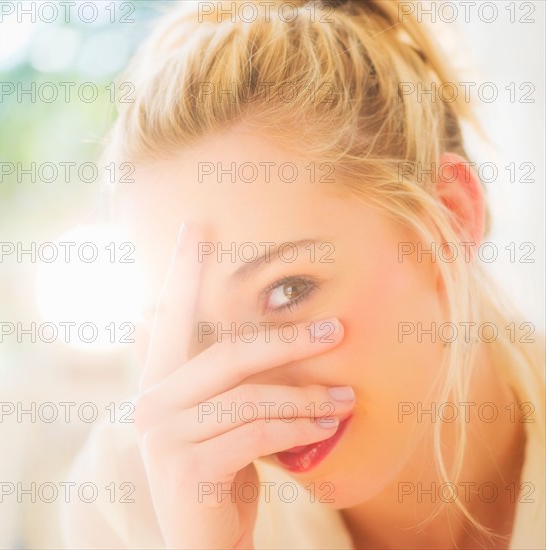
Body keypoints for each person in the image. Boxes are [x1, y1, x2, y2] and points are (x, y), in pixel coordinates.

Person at [61, 1, 545, 548]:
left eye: (288, 291)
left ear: (448, 221)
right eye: (197, 333)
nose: (253, 394)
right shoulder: (127, 505)